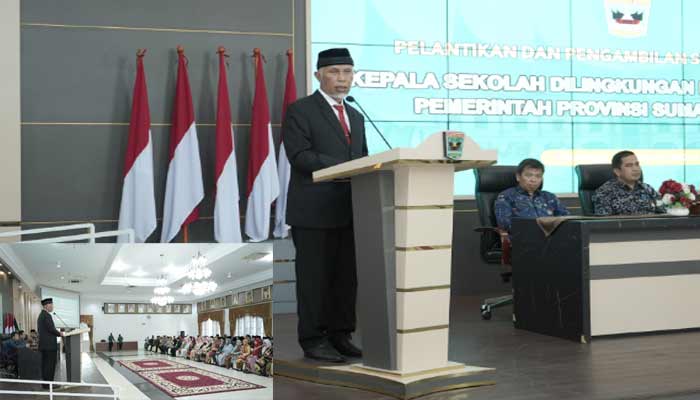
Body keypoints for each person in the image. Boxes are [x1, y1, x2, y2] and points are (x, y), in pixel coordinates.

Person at [282, 47, 367, 363]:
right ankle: (314, 339)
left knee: (345, 279)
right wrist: (345, 166)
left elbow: (364, 159)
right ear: (318, 75)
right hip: (314, 212)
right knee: (314, 280)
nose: (342, 78)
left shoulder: (356, 115)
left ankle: (340, 335)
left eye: (347, 72)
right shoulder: (301, 110)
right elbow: (300, 156)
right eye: (334, 72)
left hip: (350, 210)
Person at [495, 158, 569, 232]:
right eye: (529, 175)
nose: (533, 180)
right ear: (518, 177)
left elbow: (566, 219)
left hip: (552, 236)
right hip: (522, 236)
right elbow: (504, 224)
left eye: (538, 176)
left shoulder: (549, 197)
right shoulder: (506, 197)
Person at [593, 150, 660, 215]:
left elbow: (663, 212)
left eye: (637, 164)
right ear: (617, 171)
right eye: (629, 165)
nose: (635, 169)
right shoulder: (605, 192)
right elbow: (604, 220)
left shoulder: (648, 189)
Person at [37, 298, 64, 388]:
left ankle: (46, 384)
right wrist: (60, 333)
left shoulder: (41, 315)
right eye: (51, 305)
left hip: (44, 345)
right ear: (45, 306)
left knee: (45, 365)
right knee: (50, 365)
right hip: (49, 346)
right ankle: (49, 385)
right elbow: (51, 329)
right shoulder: (47, 315)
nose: (52, 306)